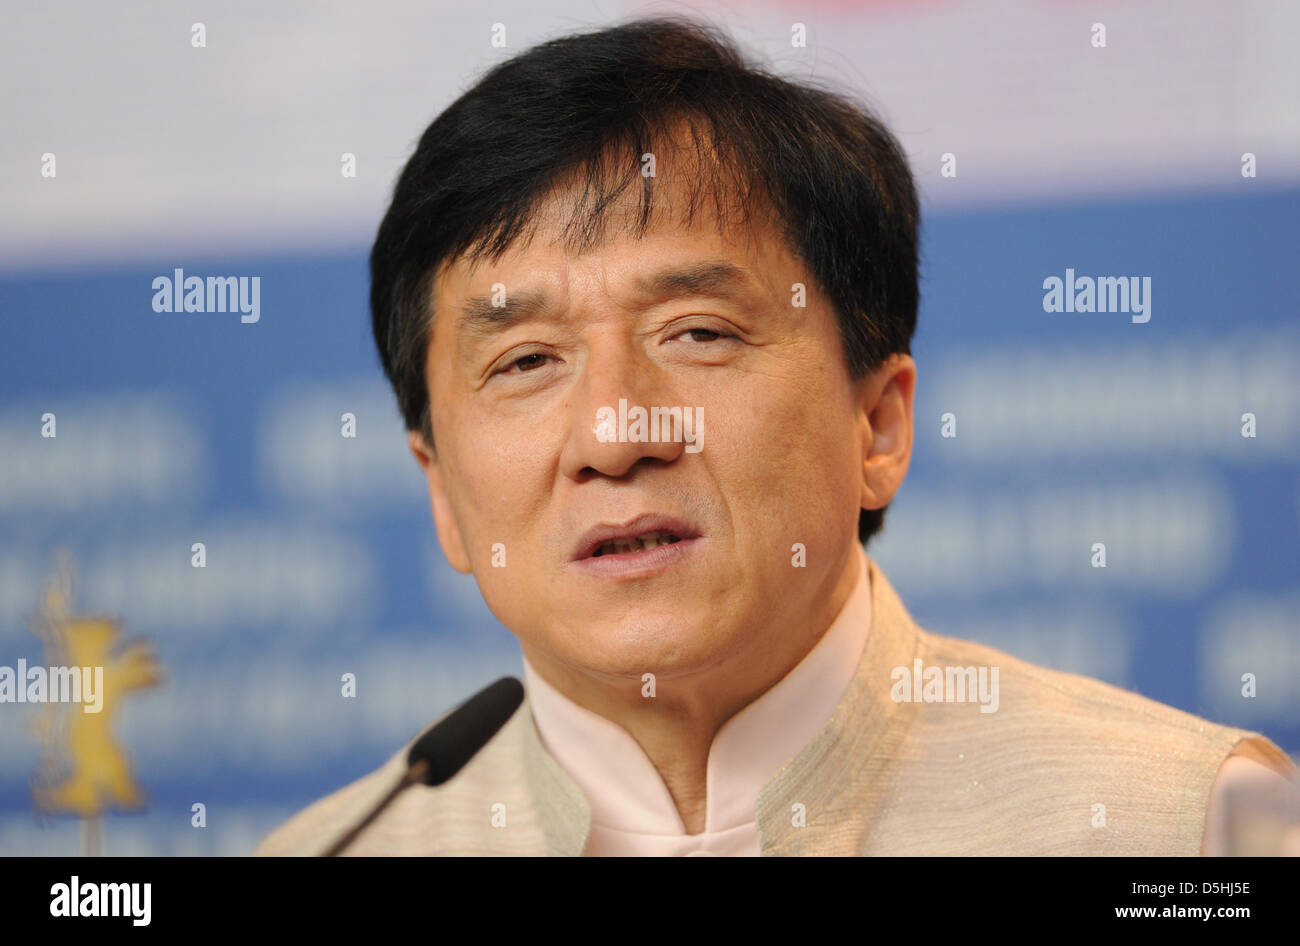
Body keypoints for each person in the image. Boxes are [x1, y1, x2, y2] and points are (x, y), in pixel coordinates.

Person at [256, 16, 1296, 856]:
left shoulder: (1191, 830)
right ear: (440, 491)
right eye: (525, 360)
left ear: (877, 423)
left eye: (697, 332)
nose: (616, 434)